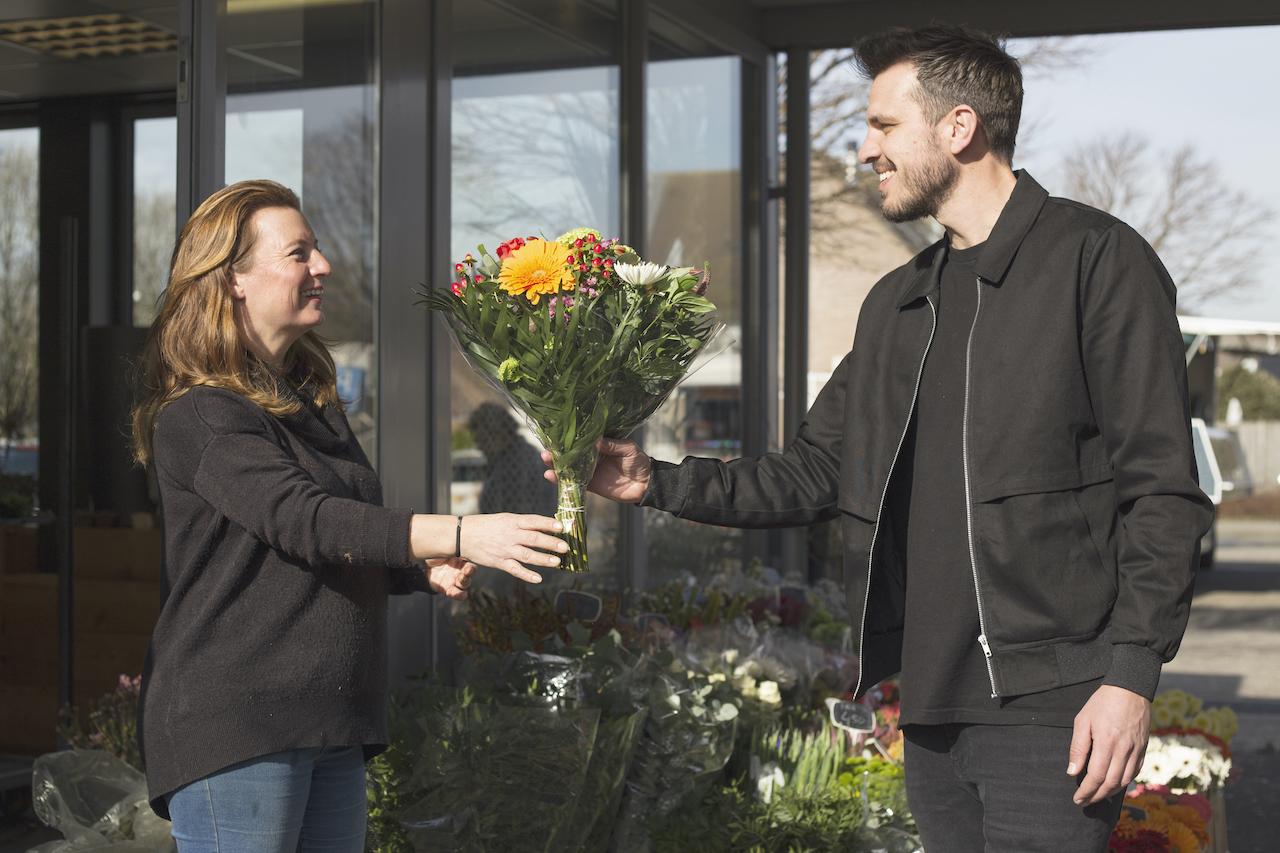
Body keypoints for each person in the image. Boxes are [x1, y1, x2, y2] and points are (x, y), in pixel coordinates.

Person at [549, 25, 1214, 853]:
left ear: (958, 127)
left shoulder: (1096, 262)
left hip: (1055, 703)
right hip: (931, 709)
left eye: (884, 126)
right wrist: (654, 480)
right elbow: (816, 471)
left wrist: (1130, 674)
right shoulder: (898, 301)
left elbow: (1162, 489)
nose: (864, 149)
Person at [131, 179, 564, 852]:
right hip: (241, 726)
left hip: (329, 719)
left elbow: (336, 537)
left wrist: (418, 571)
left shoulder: (309, 400)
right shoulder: (202, 414)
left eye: (317, 250)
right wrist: (460, 531)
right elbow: (306, 521)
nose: (323, 266)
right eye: (300, 252)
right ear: (233, 279)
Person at [468, 402, 557, 516]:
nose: (480, 446)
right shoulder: (518, 456)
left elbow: (511, 511)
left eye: (483, 440)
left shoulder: (515, 464)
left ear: (502, 435)